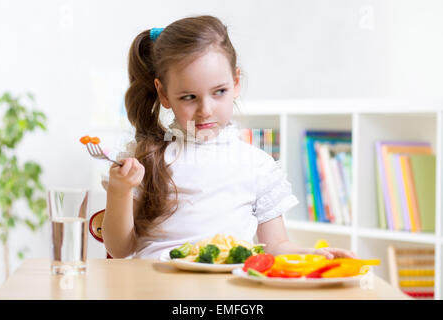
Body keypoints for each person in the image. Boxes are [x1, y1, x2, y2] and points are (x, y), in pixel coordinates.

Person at [101, 15, 357, 260]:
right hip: (156, 288)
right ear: (164, 93)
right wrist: (120, 191)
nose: (205, 110)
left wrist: (312, 255)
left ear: (236, 83)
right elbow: (121, 249)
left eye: (219, 92)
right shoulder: (145, 159)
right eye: (189, 97)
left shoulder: (257, 165)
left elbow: (276, 245)